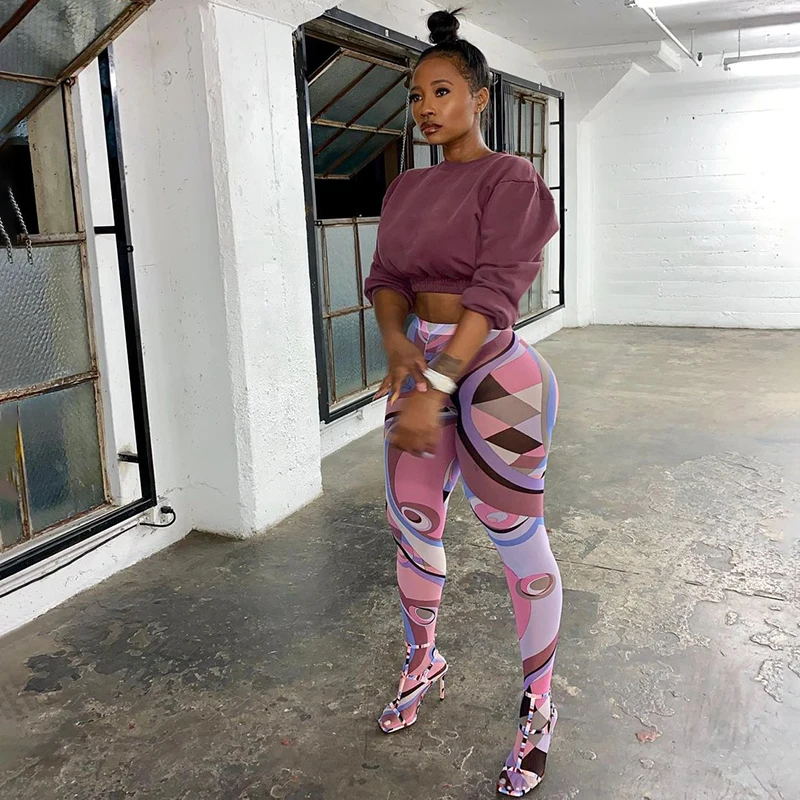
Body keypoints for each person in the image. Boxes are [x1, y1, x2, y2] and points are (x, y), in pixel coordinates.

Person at [364, 8, 562, 798]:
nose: (426, 107)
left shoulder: (510, 178)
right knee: (413, 524)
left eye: (442, 91)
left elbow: (493, 292)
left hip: (494, 372)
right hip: (421, 362)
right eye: (416, 95)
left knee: (516, 535)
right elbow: (386, 279)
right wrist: (397, 346)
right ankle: (423, 658)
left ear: (479, 97)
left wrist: (439, 383)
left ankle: (538, 708)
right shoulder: (406, 188)